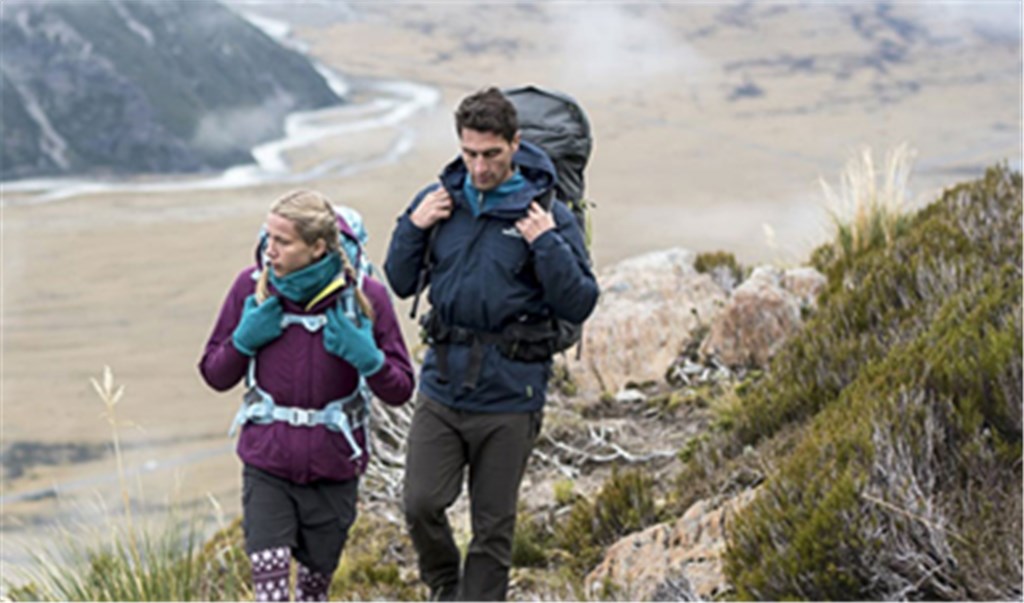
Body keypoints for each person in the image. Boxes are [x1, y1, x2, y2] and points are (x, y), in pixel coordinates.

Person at [384, 87, 600, 601]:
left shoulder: (547, 212)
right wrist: (413, 227)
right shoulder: (440, 201)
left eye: (491, 154)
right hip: (442, 386)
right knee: (420, 503)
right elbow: (400, 280)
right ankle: (445, 586)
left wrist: (546, 243)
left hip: (511, 393)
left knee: (493, 527)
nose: (479, 168)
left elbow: (579, 302)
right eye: (469, 154)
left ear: (515, 144)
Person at [200, 189, 415, 602]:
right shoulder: (250, 289)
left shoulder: (367, 297)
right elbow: (214, 373)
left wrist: (369, 358)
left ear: (317, 247)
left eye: (283, 241)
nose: (270, 251)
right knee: (272, 593)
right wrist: (243, 340)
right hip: (267, 464)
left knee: (313, 595)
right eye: (268, 237)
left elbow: (401, 389)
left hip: (335, 470)